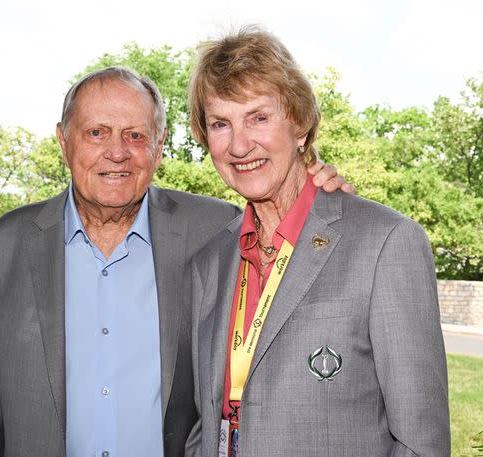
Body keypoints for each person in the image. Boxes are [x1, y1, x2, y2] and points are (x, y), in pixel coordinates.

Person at [0, 66, 352, 457]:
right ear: (63, 141)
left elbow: (298, 284)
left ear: (158, 147)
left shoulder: (218, 230)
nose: (118, 152)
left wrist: (317, 195)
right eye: (96, 133)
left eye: (136, 135)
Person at [185, 28, 450, 457]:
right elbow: (208, 420)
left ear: (300, 124)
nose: (238, 144)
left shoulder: (386, 244)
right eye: (220, 123)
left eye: (258, 117)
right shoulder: (210, 262)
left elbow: (421, 443)